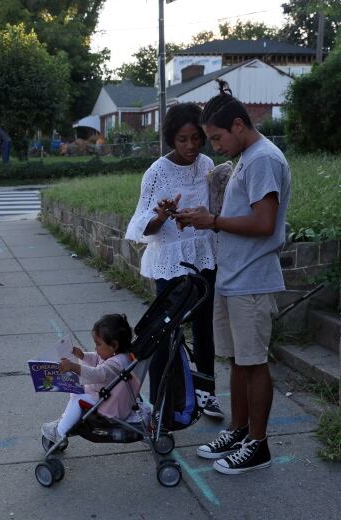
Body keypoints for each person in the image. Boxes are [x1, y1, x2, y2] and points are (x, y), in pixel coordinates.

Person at [175, 80, 291, 475]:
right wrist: (206, 219)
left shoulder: (262, 160)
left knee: (254, 364)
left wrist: (213, 221)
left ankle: (258, 445)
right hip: (233, 277)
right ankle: (239, 430)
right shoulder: (248, 158)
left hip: (253, 280)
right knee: (239, 362)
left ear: (239, 125)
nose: (214, 146)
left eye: (217, 137)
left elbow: (264, 222)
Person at [124, 102, 223, 420]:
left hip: (203, 256)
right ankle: (163, 401)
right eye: (183, 139)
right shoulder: (157, 173)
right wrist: (163, 215)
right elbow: (142, 226)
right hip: (171, 260)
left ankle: (206, 392)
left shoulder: (207, 164)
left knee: (204, 325)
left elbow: (212, 210)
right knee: (166, 330)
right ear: (171, 138)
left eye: (196, 137)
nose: (191, 146)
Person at [40, 314, 140, 444]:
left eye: (98, 344)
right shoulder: (117, 355)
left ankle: (59, 432)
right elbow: (98, 359)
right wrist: (82, 355)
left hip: (109, 406)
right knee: (78, 392)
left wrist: (73, 367)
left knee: (78, 397)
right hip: (108, 398)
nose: (95, 348)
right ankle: (65, 420)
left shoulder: (116, 364)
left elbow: (97, 374)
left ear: (114, 345)